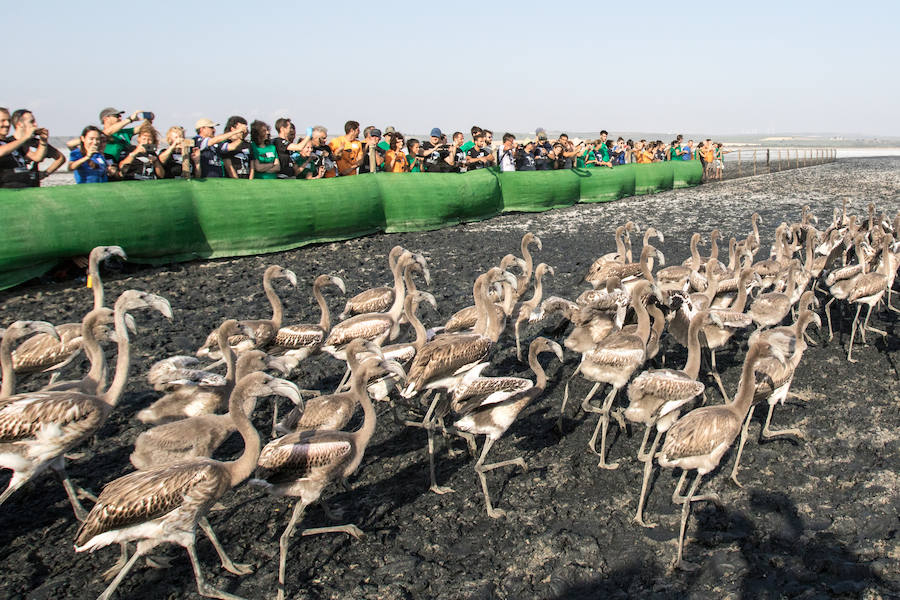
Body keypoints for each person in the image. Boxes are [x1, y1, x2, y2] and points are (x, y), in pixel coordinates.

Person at [1, 108, 61, 187]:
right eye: (3, 120)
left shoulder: (12, 144)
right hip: (7, 190)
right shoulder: (13, 143)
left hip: (25, 188)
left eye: (9, 120)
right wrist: (25, 137)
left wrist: (43, 141)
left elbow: (37, 157)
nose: (7, 124)